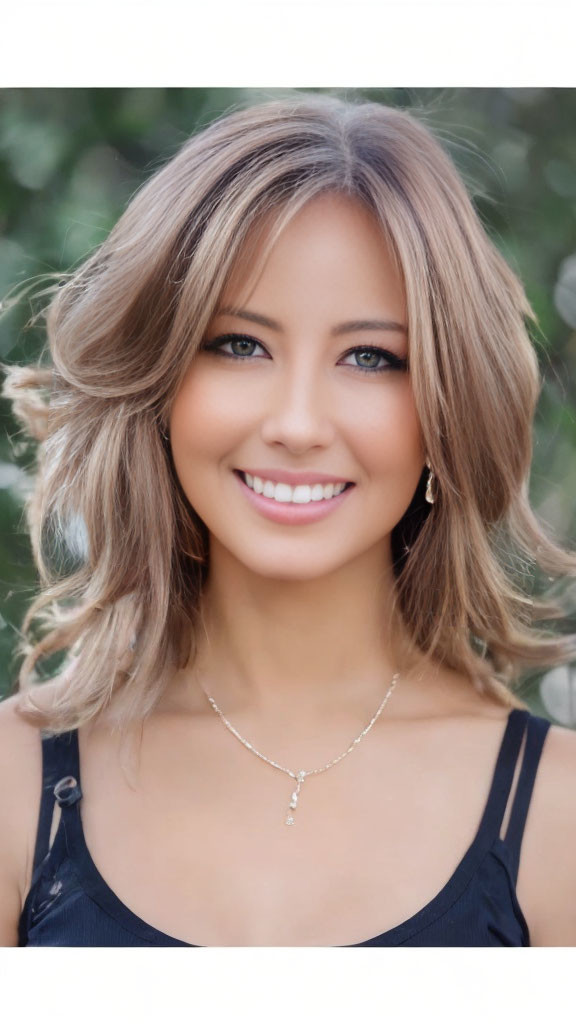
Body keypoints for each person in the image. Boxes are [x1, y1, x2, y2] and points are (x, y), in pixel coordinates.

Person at [1, 91, 576, 947]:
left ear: (446, 409)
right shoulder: (15, 785)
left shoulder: (558, 815)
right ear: (158, 384)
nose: (299, 423)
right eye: (240, 344)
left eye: (371, 357)